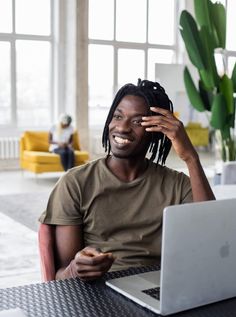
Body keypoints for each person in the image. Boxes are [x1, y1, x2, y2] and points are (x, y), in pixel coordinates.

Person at [40, 79, 215, 281]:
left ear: (157, 131)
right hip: (97, 291)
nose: (122, 128)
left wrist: (190, 158)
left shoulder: (177, 184)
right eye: (117, 116)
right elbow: (61, 277)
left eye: (137, 121)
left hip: (159, 288)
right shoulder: (74, 183)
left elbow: (209, 236)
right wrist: (75, 269)